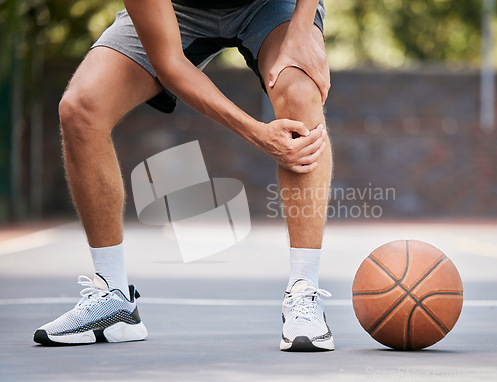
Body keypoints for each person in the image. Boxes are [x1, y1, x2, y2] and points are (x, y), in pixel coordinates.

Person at [33, 0, 333, 352]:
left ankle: (304, 291)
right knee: (80, 108)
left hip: (270, 4)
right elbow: (171, 64)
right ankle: (112, 297)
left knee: (298, 89)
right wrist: (256, 133)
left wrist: (300, 31)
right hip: (178, 8)